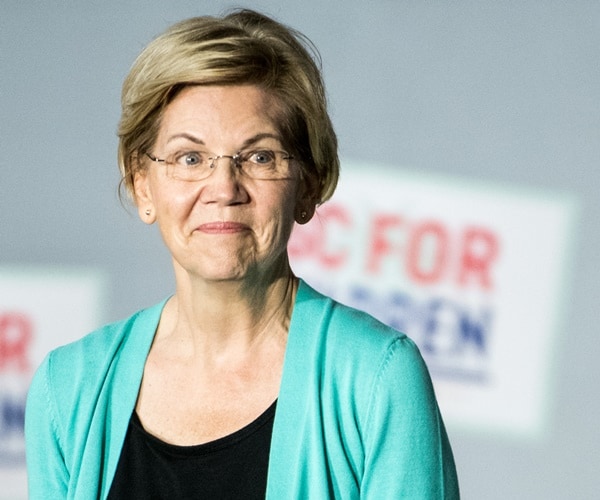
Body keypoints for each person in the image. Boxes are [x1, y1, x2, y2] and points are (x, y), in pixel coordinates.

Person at [25, 8, 459, 499]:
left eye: (260, 157)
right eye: (190, 158)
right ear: (142, 184)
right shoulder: (68, 389)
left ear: (308, 185)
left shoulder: (376, 379)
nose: (224, 188)